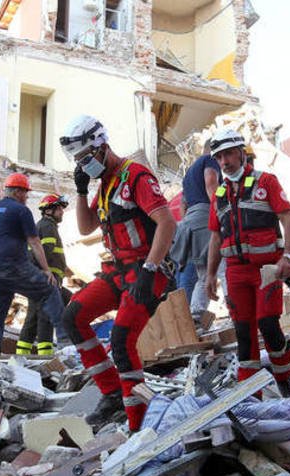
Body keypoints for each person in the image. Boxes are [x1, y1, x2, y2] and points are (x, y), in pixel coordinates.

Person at [60, 115, 176, 430]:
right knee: (73, 317)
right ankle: (112, 394)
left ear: (102, 146)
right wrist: (81, 191)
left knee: (122, 340)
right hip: (118, 270)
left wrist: (150, 270)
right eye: (78, 160)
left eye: (87, 158)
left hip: (145, 271)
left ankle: (138, 425)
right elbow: (85, 227)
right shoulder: (107, 183)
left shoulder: (134, 176)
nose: (84, 164)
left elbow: (166, 222)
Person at [204, 126, 290, 395]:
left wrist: (288, 257)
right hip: (235, 272)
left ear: (242, 153)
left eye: (230, 154)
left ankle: (285, 379)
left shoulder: (266, 182)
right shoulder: (219, 196)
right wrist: (210, 275)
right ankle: (251, 392)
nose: (225, 162)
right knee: (243, 331)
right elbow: (214, 238)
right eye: (220, 157)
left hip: (266, 269)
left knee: (268, 324)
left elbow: (288, 221)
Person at [0, 173, 68, 364]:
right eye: (26, 192)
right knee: (49, 290)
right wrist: (46, 271)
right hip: (14, 265)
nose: (27, 196)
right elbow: (34, 241)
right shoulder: (21, 211)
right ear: (18, 191)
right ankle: (66, 342)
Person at [17, 193, 73, 355]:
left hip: (41, 277)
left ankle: (22, 354)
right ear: (49, 210)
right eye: (59, 209)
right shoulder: (47, 226)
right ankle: (45, 356)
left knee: (33, 317)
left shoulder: (42, 226)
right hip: (47, 278)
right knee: (45, 316)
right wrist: (46, 273)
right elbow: (46, 251)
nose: (62, 212)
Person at [171, 141, 221, 317]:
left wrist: (188, 225)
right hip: (206, 214)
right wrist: (220, 211)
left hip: (189, 222)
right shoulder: (210, 160)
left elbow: (182, 205)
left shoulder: (189, 174)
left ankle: (195, 316)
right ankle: (236, 308)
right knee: (223, 266)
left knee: (202, 274)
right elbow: (211, 183)